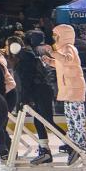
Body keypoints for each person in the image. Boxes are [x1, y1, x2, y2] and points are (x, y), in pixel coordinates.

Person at [12, 30, 57, 162]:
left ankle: (72, 147)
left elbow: (27, 79)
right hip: (42, 89)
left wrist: (23, 99)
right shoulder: (34, 52)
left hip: (40, 90)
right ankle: (45, 150)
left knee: (47, 121)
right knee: (39, 120)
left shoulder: (28, 55)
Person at [48, 24, 86, 165]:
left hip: (74, 88)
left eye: (55, 35)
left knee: (77, 119)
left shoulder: (69, 47)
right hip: (67, 88)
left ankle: (81, 144)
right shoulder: (61, 49)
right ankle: (72, 142)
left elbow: (67, 59)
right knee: (70, 119)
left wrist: (52, 54)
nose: (53, 38)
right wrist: (50, 61)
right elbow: (61, 64)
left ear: (62, 35)